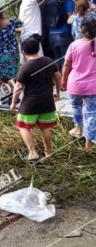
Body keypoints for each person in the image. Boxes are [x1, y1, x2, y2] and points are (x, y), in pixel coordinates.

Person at [10, 37, 61, 161]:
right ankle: (48, 153)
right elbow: (58, 77)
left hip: (30, 104)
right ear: (38, 48)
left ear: (23, 51)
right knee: (45, 127)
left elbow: (17, 88)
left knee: (22, 126)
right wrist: (57, 92)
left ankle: (32, 152)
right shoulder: (49, 61)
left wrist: (13, 104)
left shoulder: (25, 67)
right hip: (47, 101)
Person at [61, 17, 96, 151]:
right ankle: (89, 143)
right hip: (92, 87)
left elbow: (66, 65)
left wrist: (63, 81)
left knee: (76, 106)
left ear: (81, 29)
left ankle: (78, 129)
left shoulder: (74, 45)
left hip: (75, 84)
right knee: (91, 113)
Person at [0, 12, 22, 84]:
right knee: (14, 74)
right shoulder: (11, 21)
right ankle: (18, 90)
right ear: (2, 13)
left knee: (5, 78)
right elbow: (21, 22)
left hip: (1, 55)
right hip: (13, 53)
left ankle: (9, 92)